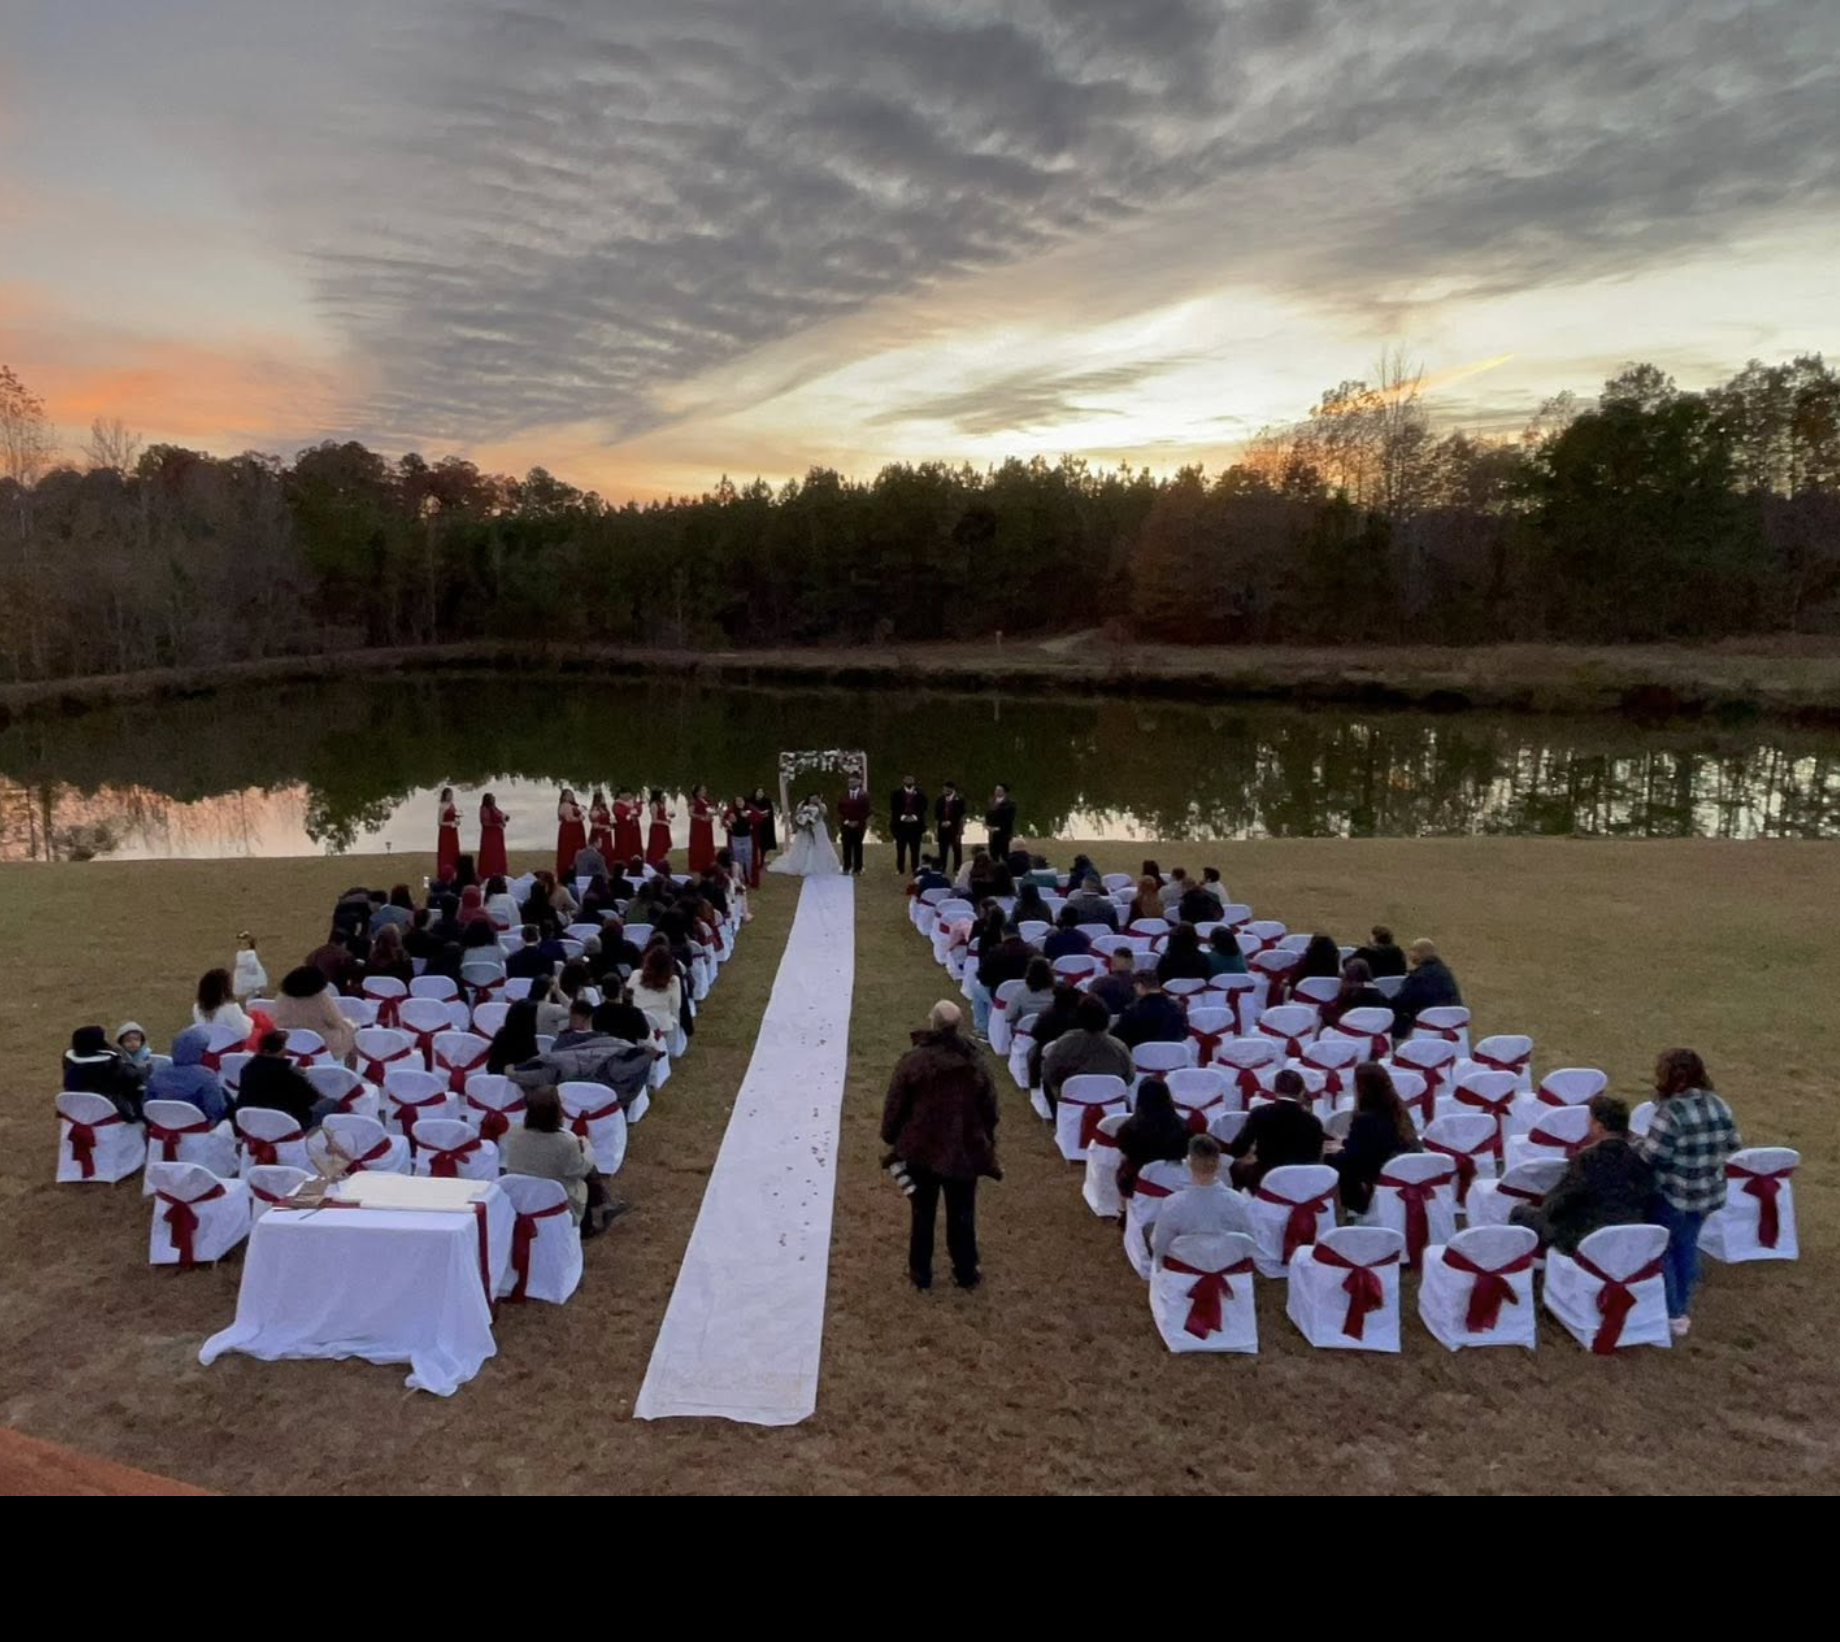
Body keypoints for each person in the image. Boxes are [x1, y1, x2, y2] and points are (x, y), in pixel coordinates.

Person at [881, 1001, 999, 1291]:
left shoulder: (914, 1061)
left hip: (923, 1149)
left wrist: (891, 1134)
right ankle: (966, 1272)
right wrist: (985, 1137)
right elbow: (990, 1106)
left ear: (933, 1023)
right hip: (964, 1147)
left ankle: (921, 1274)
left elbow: (895, 1103)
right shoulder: (974, 1061)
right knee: (962, 1213)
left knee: (923, 1213)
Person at [1637, 1048, 1742, 1337]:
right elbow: (1734, 1144)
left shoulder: (1670, 1111)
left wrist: (1637, 1144)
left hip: (1672, 1195)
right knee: (1688, 1245)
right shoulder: (1720, 1105)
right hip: (1708, 1193)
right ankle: (1681, 1305)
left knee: (1665, 1251)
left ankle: (1674, 1310)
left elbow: (1652, 1157)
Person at [1511, 1095, 1654, 1255]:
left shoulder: (1587, 1159)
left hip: (1586, 1238)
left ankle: (1538, 1273)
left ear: (1599, 1127)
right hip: (1630, 1235)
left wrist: (1539, 1207)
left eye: (1590, 1121)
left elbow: (1558, 1202)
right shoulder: (1639, 1158)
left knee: (1520, 1213)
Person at [502, 1086, 621, 1233]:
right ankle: (595, 1215)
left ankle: (603, 1206)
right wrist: (587, 1146)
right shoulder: (566, 1141)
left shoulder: (514, 1131)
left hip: (519, 1193)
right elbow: (579, 1170)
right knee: (588, 1169)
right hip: (556, 1198)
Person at [1331, 1062, 1421, 1215]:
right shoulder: (1399, 1112)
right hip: (1401, 1172)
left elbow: (1358, 1157)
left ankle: (1347, 1212)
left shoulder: (1363, 1119)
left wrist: (1338, 1151)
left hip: (1376, 1175)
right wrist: (1346, 1143)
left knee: (1332, 1160)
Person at [1151, 1135, 1256, 1257]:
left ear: (1188, 1163)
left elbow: (1159, 1244)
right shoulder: (1238, 1201)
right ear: (1218, 1164)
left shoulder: (1172, 1203)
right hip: (1226, 1264)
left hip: (1187, 1267)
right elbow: (1251, 1241)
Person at [1226, 1068, 1325, 1190]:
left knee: (1235, 1167)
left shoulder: (1259, 1113)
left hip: (1267, 1180)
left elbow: (1238, 1149)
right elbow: (1316, 1157)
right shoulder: (1313, 1121)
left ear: (1275, 1091)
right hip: (1302, 1183)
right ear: (1302, 1091)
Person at [1040, 994, 1136, 1110]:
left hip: (1073, 1101)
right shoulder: (1118, 1046)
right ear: (1106, 1018)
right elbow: (1129, 1077)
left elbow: (1049, 1074)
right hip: (1110, 1101)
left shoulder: (1064, 1043)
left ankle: (1057, 1118)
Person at [239, 1030, 339, 1128]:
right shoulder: (288, 1073)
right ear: (281, 1049)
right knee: (332, 1102)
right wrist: (306, 1079)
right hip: (289, 1123)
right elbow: (311, 1098)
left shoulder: (247, 1069)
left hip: (254, 1121)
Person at [1115, 1077, 1191, 1199]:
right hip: (1177, 1183)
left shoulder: (1129, 1128)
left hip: (1137, 1184)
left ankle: (1124, 1211)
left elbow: (1123, 1149)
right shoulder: (1183, 1126)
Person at [271, 965, 356, 1064]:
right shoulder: (321, 998)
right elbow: (335, 1021)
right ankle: (350, 1068)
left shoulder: (282, 996)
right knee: (350, 1029)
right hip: (321, 1045)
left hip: (288, 1043)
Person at [147, 1026, 229, 1124]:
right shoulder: (206, 1076)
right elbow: (216, 1109)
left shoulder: (158, 1072)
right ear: (199, 1052)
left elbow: (148, 1104)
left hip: (162, 1130)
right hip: (197, 1131)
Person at [63, 1025, 145, 1120]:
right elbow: (133, 1077)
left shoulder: (70, 1060)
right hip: (112, 1113)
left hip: (78, 1112)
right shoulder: (110, 1062)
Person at [1390, 938, 1463, 1040]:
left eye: (1411, 950)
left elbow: (1401, 1002)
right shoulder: (1445, 972)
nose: (1409, 954)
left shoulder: (1419, 976)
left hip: (1425, 1028)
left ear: (1418, 953)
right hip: (1453, 1027)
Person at [971, 922, 1035, 1037]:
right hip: (1028, 995)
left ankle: (983, 1029)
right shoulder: (1032, 951)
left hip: (1001, 997)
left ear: (1002, 934)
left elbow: (983, 978)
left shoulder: (996, 952)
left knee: (976, 986)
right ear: (1019, 933)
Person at [770, 793, 844, 878]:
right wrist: (802, 823)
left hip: (818, 828)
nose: (814, 798)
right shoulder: (802, 804)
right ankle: (801, 865)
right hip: (804, 829)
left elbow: (823, 813)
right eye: (813, 796)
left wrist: (818, 805)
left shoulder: (822, 805)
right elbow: (798, 815)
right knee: (804, 845)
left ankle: (823, 865)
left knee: (820, 844)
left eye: (816, 797)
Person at [1116, 971, 1187, 1048]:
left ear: (1139, 985)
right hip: (1172, 1056)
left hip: (1139, 1057)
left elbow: (1119, 1037)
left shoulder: (1132, 1010)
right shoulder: (1178, 1008)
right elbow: (1184, 1034)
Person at [631, 945, 684, 1041]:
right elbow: (676, 1006)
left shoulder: (635, 975)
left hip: (638, 1026)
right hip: (659, 1027)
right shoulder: (674, 981)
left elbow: (628, 1000)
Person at [1322, 958, 1388, 1028]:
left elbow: (1331, 1015)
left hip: (1350, 1028)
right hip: (1375, 1027)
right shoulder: (1377, 991)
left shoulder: (1350, 993)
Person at [194, 968, 254, 1040]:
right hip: (229, 1046)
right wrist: (250, 1021)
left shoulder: (197, 1007)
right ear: (226, 988)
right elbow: (245, 1033)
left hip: (208, 1045)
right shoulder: (231, 1008)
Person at [485, 999, 542, 1075]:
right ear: (529, 1020)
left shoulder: (501, 1033)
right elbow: (534, 1066)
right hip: (516, 1080)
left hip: (497, 1079)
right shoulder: (527, 1039)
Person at [886, 775, 927, 875]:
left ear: (914, 781)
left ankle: (915, 868)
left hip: (915, 825)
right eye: (907, 779)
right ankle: (900, 869)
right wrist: (903, 817)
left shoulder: (920, 794)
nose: (909, 781)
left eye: (911, 779)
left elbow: (924, 807)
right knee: (900, 849)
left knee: (915, 849)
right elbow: (893, 808)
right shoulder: (896, 793)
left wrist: (914, 817)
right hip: (900, 826)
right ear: (903, 781)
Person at [1088, 948, 1140, 1018]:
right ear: (1132, 964)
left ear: (1112, 965)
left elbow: (1090, 990)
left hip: (1104, 1019)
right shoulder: (1141, 982)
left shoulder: (1101, 982)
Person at [1011, 957, 1057, 1032]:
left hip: (1026, 1031)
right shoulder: (1057, 992)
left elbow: (1009, 1015)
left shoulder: (1020, 992)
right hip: (1051, 1032)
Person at [837, 775, 871, 875]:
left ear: (858, 783)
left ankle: (858, 868)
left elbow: (867, 811)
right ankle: (846, 867)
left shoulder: (864, 795)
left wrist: (858, 821)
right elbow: (839, 809)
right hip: (846, 824)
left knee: (858, 846)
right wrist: (847, 821)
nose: (851, 784)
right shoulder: (843, 795)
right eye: (849, 782)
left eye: (853, 782)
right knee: (846, 846)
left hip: (859, 825)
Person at [934, 781, 967, 874]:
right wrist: (936, 829)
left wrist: (960, 830)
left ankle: (957, 868)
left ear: (952, 789)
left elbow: (962, 817)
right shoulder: (939, 800)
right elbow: (936, 817)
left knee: (957, 849)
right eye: (944, 789)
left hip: (955, 829)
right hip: (942, 828)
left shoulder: (959, 800)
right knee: (942, 850)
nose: (944, 791)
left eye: (947, 789)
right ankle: (942, 868)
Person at [555, 789, 588, 880]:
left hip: (575, 830)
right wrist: (580, 818)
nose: (571, 797)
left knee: (576, 849)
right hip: (570, 831)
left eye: (571, 795)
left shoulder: (572, 805)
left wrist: (580, 813)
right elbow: (569, 819)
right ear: (564, 797)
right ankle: (568, 872)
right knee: (569, 851)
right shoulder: (566, 805)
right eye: (568, 795)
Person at [684, 784, 715, 874]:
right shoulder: (694, 801)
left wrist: (711, 816)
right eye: (702, 790)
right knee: (698, 844)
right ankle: (697, 865)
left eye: (705, 789)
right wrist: (701, 817)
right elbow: (690, 813)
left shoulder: (707, 800)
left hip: (707, 826)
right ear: (697, 792)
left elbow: (710, 811)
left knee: (707, 843)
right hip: (698, 826)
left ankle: (707, 863)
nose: (705, 791)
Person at [477, 793, 510, 879]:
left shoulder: (493, 807)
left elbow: (500, 815)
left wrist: (505, 818)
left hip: (497, 835)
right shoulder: (484, 809)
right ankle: (488, 873)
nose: (494, 799)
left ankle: (499, 871)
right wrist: (497, 825)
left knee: (498, 853)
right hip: (490, 836)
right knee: (490, 854)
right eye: (492, 798)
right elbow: (485, 823)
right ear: (488, 800)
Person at [984, 784, 1017, 863]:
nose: (996, 792)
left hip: (1003, 832)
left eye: (999, 790)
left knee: (1004, 853)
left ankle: (1006, 871)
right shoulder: (991, 801)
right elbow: (987, 814)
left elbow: (1009, 819)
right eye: (996, 790)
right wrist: (987, 825)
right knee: (993, 853)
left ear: (1004, 792)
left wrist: (998, 828)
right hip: (992, 832)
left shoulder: (1010, 803)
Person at [436, 787, 461, 882]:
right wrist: (450, 823)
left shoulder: (452, 804)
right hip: (445, 833)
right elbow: (439, 822)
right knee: (446, 851)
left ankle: (455, 871)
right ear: (445, 795)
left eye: (451, 794)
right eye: (449, 794)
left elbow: (455, 816)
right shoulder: (442, 806)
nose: (450, 796)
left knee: (454, 850)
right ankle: (444, 872)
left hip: (453, 832)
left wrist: (457, 821)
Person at [645, 788, 674, 868]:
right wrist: (664, 822)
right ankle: (654, 864)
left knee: (663, 847)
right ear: (658, 795)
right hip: (657, 829)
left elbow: (662, 815)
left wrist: (667, 819)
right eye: (662, 794)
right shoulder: (653, 804)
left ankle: (663, 864)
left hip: (663, 828)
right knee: (656, 848)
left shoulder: (661, 803)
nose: (663, 796)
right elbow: (654, 820)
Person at [587, 788, 615, 859]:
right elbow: (595, 826)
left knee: (608, 850)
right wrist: (606, 826)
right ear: (598, 799)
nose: (604, 800)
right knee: (602, 850)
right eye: (603, 798)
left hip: (606, 833)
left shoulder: (604, 809)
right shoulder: (595, 810)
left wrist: (612, 823)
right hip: (600, 834)